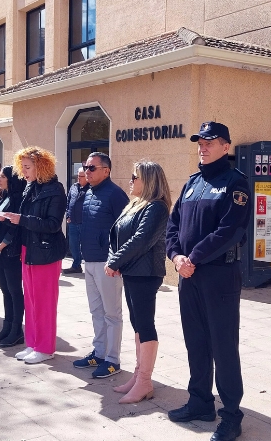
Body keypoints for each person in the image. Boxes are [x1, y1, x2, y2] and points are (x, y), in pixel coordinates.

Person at [165, 122, 251, 441]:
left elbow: (231, 231)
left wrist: (194, 257)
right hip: (188, 274)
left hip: (219, 276)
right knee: (196, 341)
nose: (203, 146)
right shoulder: (192, 183)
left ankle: (231, 415)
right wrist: (176, 257)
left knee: (223, 345)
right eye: (200, 141)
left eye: (210, 141)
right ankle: (200, 402)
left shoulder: (235, 182)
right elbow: (173, 227)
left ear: (225, 147)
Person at [106, 161, 171, 404]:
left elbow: (141, 240)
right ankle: (138, 375)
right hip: (133, 271)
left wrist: (114, 261)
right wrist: (117, 260)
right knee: (137, 324)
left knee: (144, 324)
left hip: (146, 274)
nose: (131, 180)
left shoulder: (156, 208)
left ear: (149, 180)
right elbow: (120, 235)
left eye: (135, 176)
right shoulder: (136, 205)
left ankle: (145, 381)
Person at [6, 146, 66, 365]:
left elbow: (52, 224)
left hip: (46, 252)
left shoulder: (55, 189)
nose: (24, 171)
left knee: (44, 302)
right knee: (31, 301)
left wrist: (20, 219)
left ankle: (45, 347)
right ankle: (33, 343)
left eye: (28, 167)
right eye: (22, 167)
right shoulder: (30, 187)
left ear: (41, 167)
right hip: (28, 249)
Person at [72, 152, 130, 378]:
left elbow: (124, 230)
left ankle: (113, 359)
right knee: (96, 310)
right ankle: (100, 351)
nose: (87, 171)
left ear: (106, 170)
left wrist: (116, 260)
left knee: (111, 313)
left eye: (92, 167)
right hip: (90, 260)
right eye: (86, 167)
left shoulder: (115, 194)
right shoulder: (88, 192)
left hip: (108, 264)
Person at [0, 166, 27, 347]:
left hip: (9, 252)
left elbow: (15, 228)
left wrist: (1, 245)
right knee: (5, 291)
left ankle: (16, 330)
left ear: (11, 179)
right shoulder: (3, 197)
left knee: (14, 291)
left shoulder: (18, 199)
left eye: (2, 177)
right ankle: (7, 326)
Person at [62, 167, 89, 274]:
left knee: (86, 246)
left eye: (81, 176)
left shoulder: (91, 189)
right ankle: (76, 265)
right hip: (72, 222)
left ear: (87, 177)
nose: (79, 178)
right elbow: (68, 202)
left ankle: (89, 267)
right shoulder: (74, 187)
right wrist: (68, 215)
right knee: (73, 245)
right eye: (78, 176)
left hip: (85, 223)